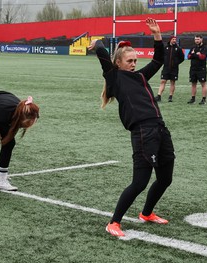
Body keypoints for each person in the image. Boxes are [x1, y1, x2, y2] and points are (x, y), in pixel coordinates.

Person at [88, 18, 175, 237]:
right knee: (140, 182)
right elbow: (101, 53)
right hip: (143, 133)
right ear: (118, 63)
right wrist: (98, 43)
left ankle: (146, 213)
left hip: (160, 129)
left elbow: (158, 59)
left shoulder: (140, 77)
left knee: (165, 178)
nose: (134, 64)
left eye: (135, 60)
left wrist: (157, 34)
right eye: (130, 61)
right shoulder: (115, 77)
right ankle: (114, 222)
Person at [155, 35, 184, 102]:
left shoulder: (178, 49)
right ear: (170, 40)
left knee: (172, 82)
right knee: (163, 81)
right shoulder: (165, 48)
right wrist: (164, 62)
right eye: (173, 39)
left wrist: (176, 63)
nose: (174, 40)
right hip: (166, 68)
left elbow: (182, 58)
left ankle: (170, 96)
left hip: (174, 68)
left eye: (175, 39)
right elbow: (161, 56)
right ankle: (159, 96)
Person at [187, 34, 207, 105]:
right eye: (195, 39)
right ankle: (193, 99)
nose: (196, 41)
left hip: (201, 69)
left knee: (203, 84)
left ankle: (203, 99)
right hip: (193, 68)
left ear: (201, 39)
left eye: (198, 39)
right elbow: (188, 56)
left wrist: (194, 55)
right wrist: (197, 54)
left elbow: (202, 57)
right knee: (193, 84)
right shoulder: (193, 47)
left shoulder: (205, 48)